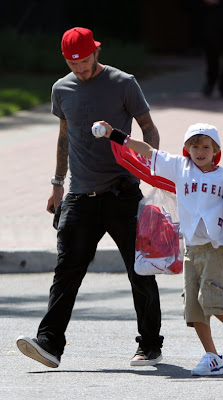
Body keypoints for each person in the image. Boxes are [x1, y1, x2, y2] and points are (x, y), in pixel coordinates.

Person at [16, 27, 163, 368]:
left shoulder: (123, 82)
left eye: (84, 62)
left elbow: (148, 127)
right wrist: (56, 183)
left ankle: (150, 344)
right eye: (72, 62)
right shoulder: (61, 88)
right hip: (80, 194)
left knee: (139, 270)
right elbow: (64, 135)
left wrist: (150, 165)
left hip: (122, 192)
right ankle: (49, 344)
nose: (79, 69)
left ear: (96, 52)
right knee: (67, 270)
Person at [95, 120, 223, 375]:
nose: (200, 152)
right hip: (191, 250)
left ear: (216, 150)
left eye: (206, 146)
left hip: (215, 249)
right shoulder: (179, 167)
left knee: (211, 301)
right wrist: (114, 135)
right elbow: (147, 151)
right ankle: (212, 357)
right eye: (194, 147)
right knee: (193, 309)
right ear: (187, 149)